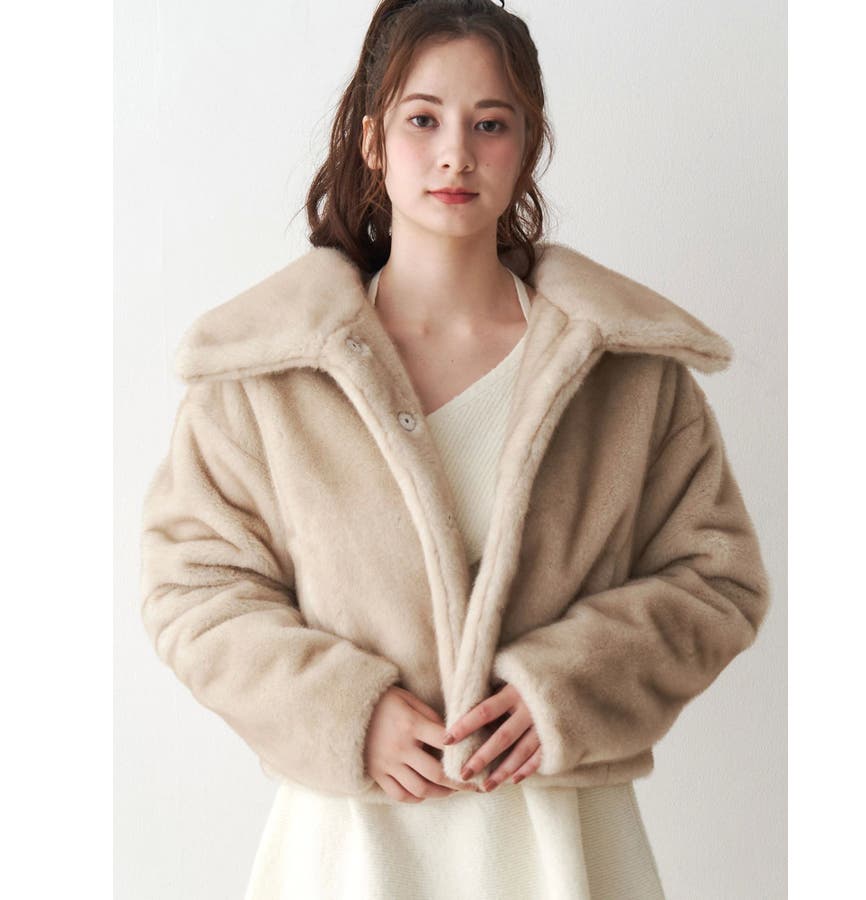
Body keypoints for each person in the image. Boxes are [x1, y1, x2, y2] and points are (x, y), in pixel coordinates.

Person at [139, 1, 771, 897]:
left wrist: (568, 690)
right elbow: (191, 586)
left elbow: (718, 578)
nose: (456, 155)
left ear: (529, 143)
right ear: (373, 140)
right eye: (423, 119)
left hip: (563, 850)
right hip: (351, 853)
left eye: (491, 124)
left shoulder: (624, 372)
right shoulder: (267, 374)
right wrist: (345, 713)